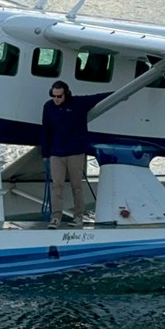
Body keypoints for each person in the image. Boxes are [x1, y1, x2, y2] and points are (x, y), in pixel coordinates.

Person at [41, 81, 105, 229]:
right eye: (53, 95)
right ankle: (56, 217)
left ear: (66, 94)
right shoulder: (48, 107)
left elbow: (96, 98)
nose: (56, 99)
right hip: (56, 152)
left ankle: (78, 216)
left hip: (75, 152)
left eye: (59, 96)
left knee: (77, 186)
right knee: (57, 186)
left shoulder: (78, 103)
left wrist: (120, 94)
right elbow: (45, 131)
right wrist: (45, 153)